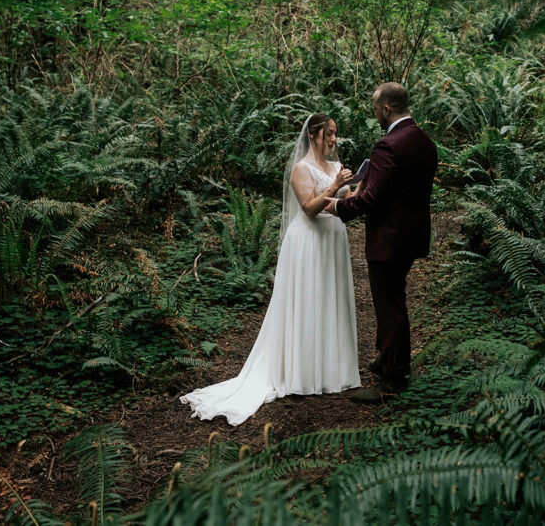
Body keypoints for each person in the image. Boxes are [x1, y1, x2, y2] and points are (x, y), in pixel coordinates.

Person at [181, 113, 360, 425]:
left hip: (333, 240)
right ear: (314, 135)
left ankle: (331, 369)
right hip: (308, 242)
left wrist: (360, 188)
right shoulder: (300, 169)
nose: (334, 140)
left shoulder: (335, 166)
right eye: (329, 134)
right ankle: (302, 372)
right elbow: (309, 209)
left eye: (336, 134)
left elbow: (343, 203)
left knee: (330, 301)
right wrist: (335, 185)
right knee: (307, 302)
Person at [325, 82, 437, 403]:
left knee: (390, 307)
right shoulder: (425, 142)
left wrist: (337, 207)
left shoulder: (388, 145)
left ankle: (393, 379)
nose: (375, 113)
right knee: (394, 298)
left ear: (387, 109)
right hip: (412, 237)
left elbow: (371, 198)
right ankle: (387, 358)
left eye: (376, 108)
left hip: (389, 239)